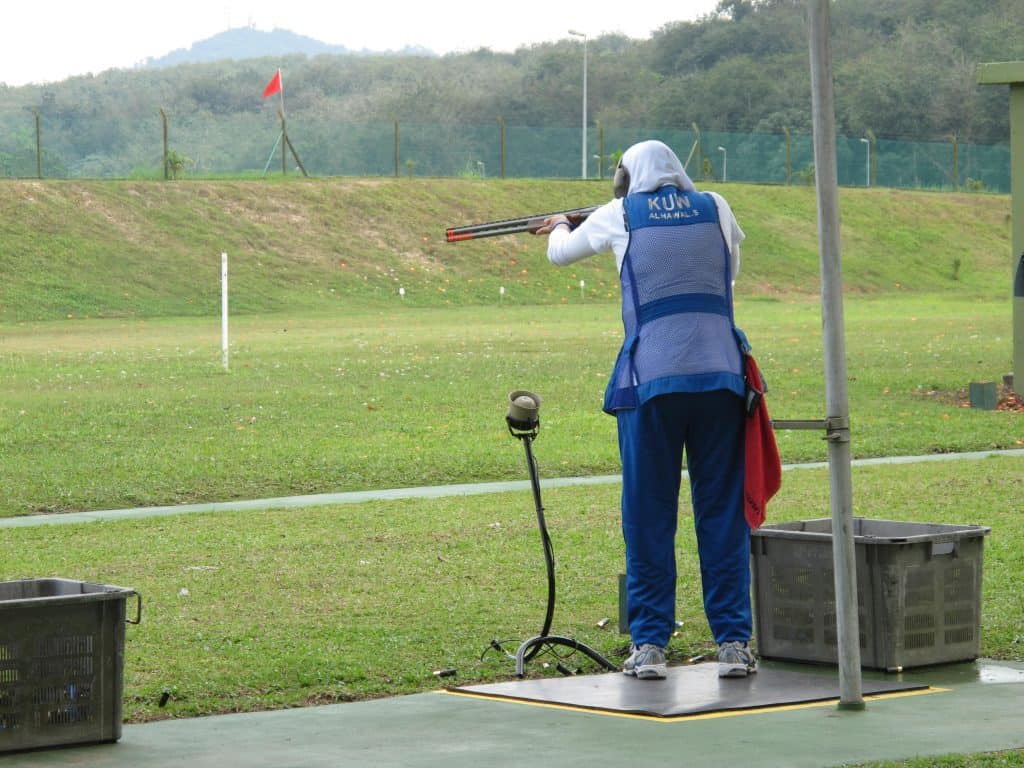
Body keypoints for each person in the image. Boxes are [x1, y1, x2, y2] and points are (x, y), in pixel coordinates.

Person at [535, 139, 757, 680]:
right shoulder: (717, 206)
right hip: (721, 378)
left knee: (648, 515)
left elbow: (560, 253)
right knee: (722, 513)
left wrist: (562, 225)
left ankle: (651, 645)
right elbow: (726, 275)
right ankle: (733, 643)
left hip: (652, 381)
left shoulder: (617, 214)